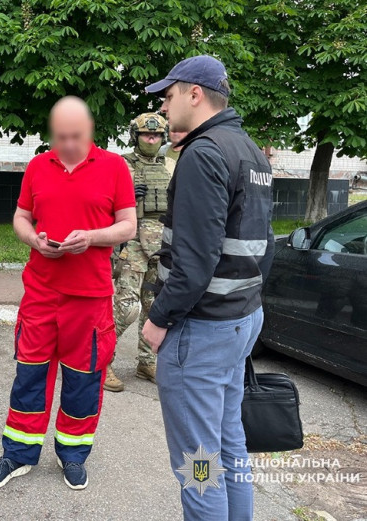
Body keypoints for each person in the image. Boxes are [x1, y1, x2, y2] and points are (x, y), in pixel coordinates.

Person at [0, 96, 136, 492]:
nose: (67, 144)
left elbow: (128, 225)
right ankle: (18, 453)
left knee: (83, 380)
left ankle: (73, 455)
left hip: (90, 296)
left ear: (90, 132)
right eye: (60, 136)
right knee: (29, 375)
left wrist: (92, 238)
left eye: (75, 136)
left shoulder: (115, 167)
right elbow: (21, 216)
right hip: (41, 292)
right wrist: (34, 238)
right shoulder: (37, 166)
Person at [141, 55, 274, 520]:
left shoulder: (203, 153)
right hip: (240, 320)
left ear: (194, 94)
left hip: (201, 331)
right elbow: (265, 246)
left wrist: (159, 319)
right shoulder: (249, 150)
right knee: (228, 444)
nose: (163, 105)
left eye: (169, 94)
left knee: (199, 463)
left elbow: (194, 263)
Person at [106, 113, 176, 391]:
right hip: (132, 243)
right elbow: (103, 204)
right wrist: (125, 196)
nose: (152, 139)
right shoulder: (120, 165)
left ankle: (147, 362)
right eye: (147, 134)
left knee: (153, 306)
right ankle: (100, 363)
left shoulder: (171, 165)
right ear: (135, 137)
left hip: (162, 244)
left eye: (157, 135)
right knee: (126, 307)